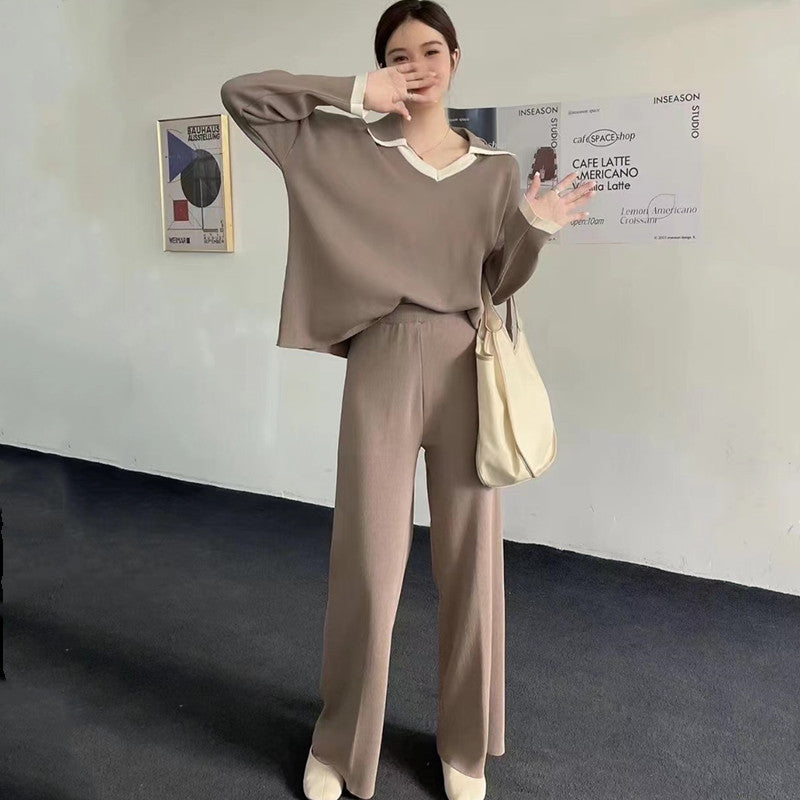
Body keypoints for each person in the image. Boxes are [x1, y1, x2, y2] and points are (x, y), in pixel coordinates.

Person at [220, 2, 595, 799]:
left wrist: (535, 229)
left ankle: (465, 746)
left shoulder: (494, 169)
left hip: (465, 358)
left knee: (472, 566)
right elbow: (243, 96)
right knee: (367, 564)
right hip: (383, 360)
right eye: (399, 54)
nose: (417, 65)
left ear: (456, 59)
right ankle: (339, 744)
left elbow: (497, 283)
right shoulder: (344, 146)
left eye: (430, 51)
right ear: (383, 65)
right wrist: (356, 92)